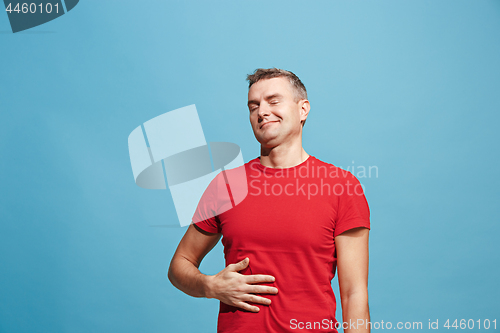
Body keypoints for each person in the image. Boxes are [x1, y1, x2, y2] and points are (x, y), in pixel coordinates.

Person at [168, 68, 371, 333]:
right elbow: (179, 265)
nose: (262, 111)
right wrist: (210, 286)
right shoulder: (227, 185)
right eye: (254, 106)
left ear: (303, 110)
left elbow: (354, 294)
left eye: (273, 101)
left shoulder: (342, 186)